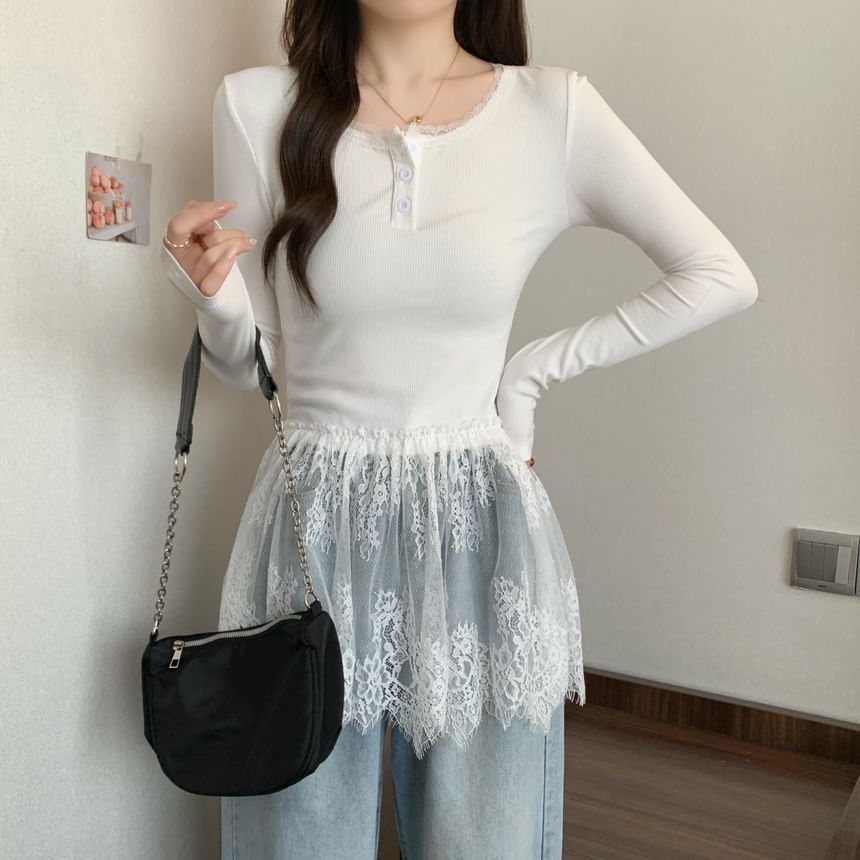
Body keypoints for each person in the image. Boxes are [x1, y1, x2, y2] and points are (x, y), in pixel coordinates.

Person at [159, 2, 758, 858]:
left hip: (480, 532)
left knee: (486, 842)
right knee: (296, 839)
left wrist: (529, 375)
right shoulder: (256, 106)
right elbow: (254, 363)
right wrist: (212, 297)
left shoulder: (551, 110)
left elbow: (717, 273)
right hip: (315, 527)